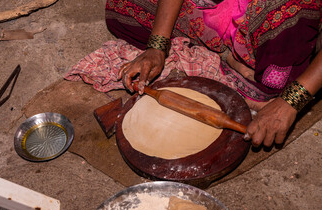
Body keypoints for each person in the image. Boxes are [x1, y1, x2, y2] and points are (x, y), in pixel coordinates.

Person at [105, 0, 322, 147]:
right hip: (220, 10)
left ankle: (258, 60)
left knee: (283, 21)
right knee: (122, 8)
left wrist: (291, 101)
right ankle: (229, 51)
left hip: (274, 9)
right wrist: (158, 45)